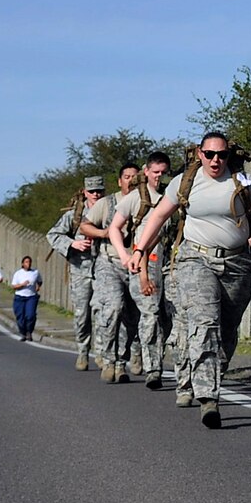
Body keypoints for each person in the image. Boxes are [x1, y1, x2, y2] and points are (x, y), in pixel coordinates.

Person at [129, 132, 251, 428]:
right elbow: (158, 216)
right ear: (199, 153)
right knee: (204, 321)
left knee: (227, 328)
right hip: (196, 259)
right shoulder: (184, 182)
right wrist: (138, 250)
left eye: (221, 155)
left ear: (228, 155)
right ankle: (209, 398)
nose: (215, 160)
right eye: (209, 154)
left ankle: (210, 374)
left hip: (237, 261)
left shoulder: (243, 181)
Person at [107, 152, 177, 389]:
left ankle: (144, 359)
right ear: (146, 172)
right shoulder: (136, 198)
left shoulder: (172, 196)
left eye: (163, 172)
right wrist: (127, 257)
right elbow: (115, 227)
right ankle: (152, 369)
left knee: (170, 317)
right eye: (155, 172)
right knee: (149, 316)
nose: (159, 176)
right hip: (143, 264)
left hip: (170, 262)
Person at [47, 176, 110, 371]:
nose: (96, 195)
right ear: (85, 192)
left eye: (99, 191)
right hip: (80, 269)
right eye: (92, 191)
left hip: (104, 269)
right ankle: (83, 350)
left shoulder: (110, 211)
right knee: (82, 314)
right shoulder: (74, 216)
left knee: (102, 313)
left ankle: (100, 353)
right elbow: (53, 235)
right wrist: (73, 243)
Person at [89, 163, 142, 381]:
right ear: (120, 181)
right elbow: (85, 225)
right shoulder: (106, 203)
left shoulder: (146, 202)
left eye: (135, 177)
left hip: (138, 265)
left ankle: (121, 362)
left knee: (133, 316)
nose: (131, 180)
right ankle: (108, 358)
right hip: (109, 262)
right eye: (127, 176)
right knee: (113, 307)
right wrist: (105, 233)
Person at [10, 256, 43, 341]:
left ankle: (29, 332)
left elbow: (40, 281)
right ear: (22, 264)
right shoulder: (18, 273)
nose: (28, 264)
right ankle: (22, 332)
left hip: (31, 297)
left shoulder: (35, 272)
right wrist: (22, 285)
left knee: (30, 315)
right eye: (26, 262)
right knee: (20, 316)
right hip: (19, 297)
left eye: (29, 262)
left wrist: (38, 286)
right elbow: (14, 286)